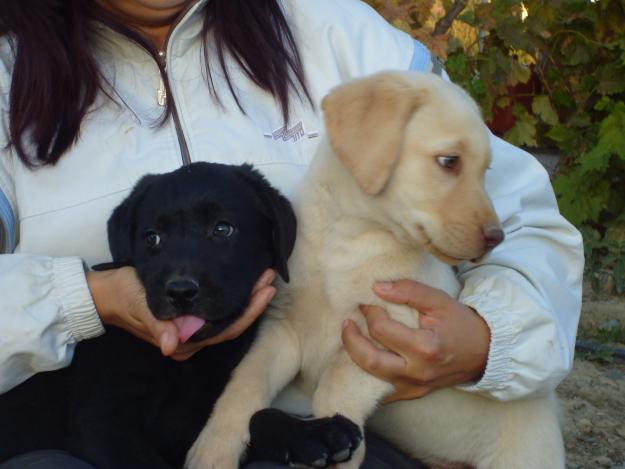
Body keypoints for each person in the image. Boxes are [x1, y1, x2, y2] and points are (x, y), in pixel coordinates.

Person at [0, 0, 583, 467]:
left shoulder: (336, 32)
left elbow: (519, 221)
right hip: (91, 429)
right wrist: (87, 297)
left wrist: (488, 338)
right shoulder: (10, 70)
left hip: (304, 428)